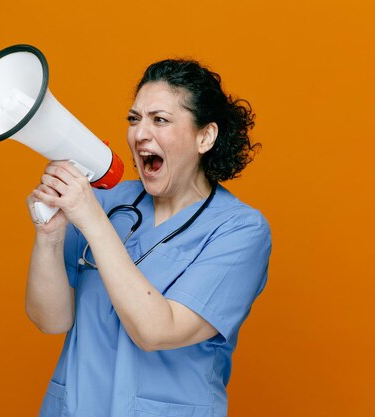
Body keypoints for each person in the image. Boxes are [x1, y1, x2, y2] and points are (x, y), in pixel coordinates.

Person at [25, 59, 272, 417]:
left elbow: (157, 330)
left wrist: (92, 220)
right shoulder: (107, 202)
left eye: (160, 119)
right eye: (134, 119)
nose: (140, 133)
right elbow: (51, 321)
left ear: (205, 136)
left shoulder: (240, 230)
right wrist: (48, 237)